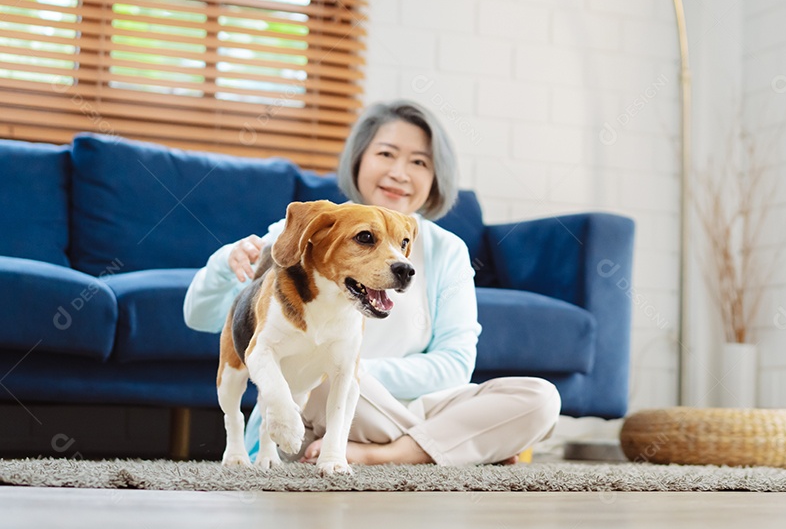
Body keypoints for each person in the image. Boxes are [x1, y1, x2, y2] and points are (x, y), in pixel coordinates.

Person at [183, 100, 561, 466]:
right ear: (359, 158)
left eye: (419, 162)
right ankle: (451, 447)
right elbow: (201, 318)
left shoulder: (448, 249)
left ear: (435, 177)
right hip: (324, 403)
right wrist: (224, 263)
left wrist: (354, 368)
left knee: (540, 398)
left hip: (406, 404)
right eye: (386, 154)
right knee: (324, 379)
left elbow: (455, 366)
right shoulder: (312, 229)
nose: (399, 172)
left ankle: (388, 455)